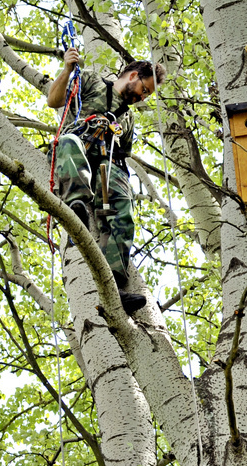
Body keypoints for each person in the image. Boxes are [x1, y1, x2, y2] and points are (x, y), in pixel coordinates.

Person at [47, 48, 166, 316]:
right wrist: (67, 69)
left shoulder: (128, 116)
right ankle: (76, 207)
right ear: (133, 75)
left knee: (123, 205)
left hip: (106, 164)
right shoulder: (90, 80)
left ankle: (114, 285)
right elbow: (54, 101)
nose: (142, 97)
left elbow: (122, 155)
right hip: (73, 150)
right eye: (144, 89)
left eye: (147, 95)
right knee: (68, 142)